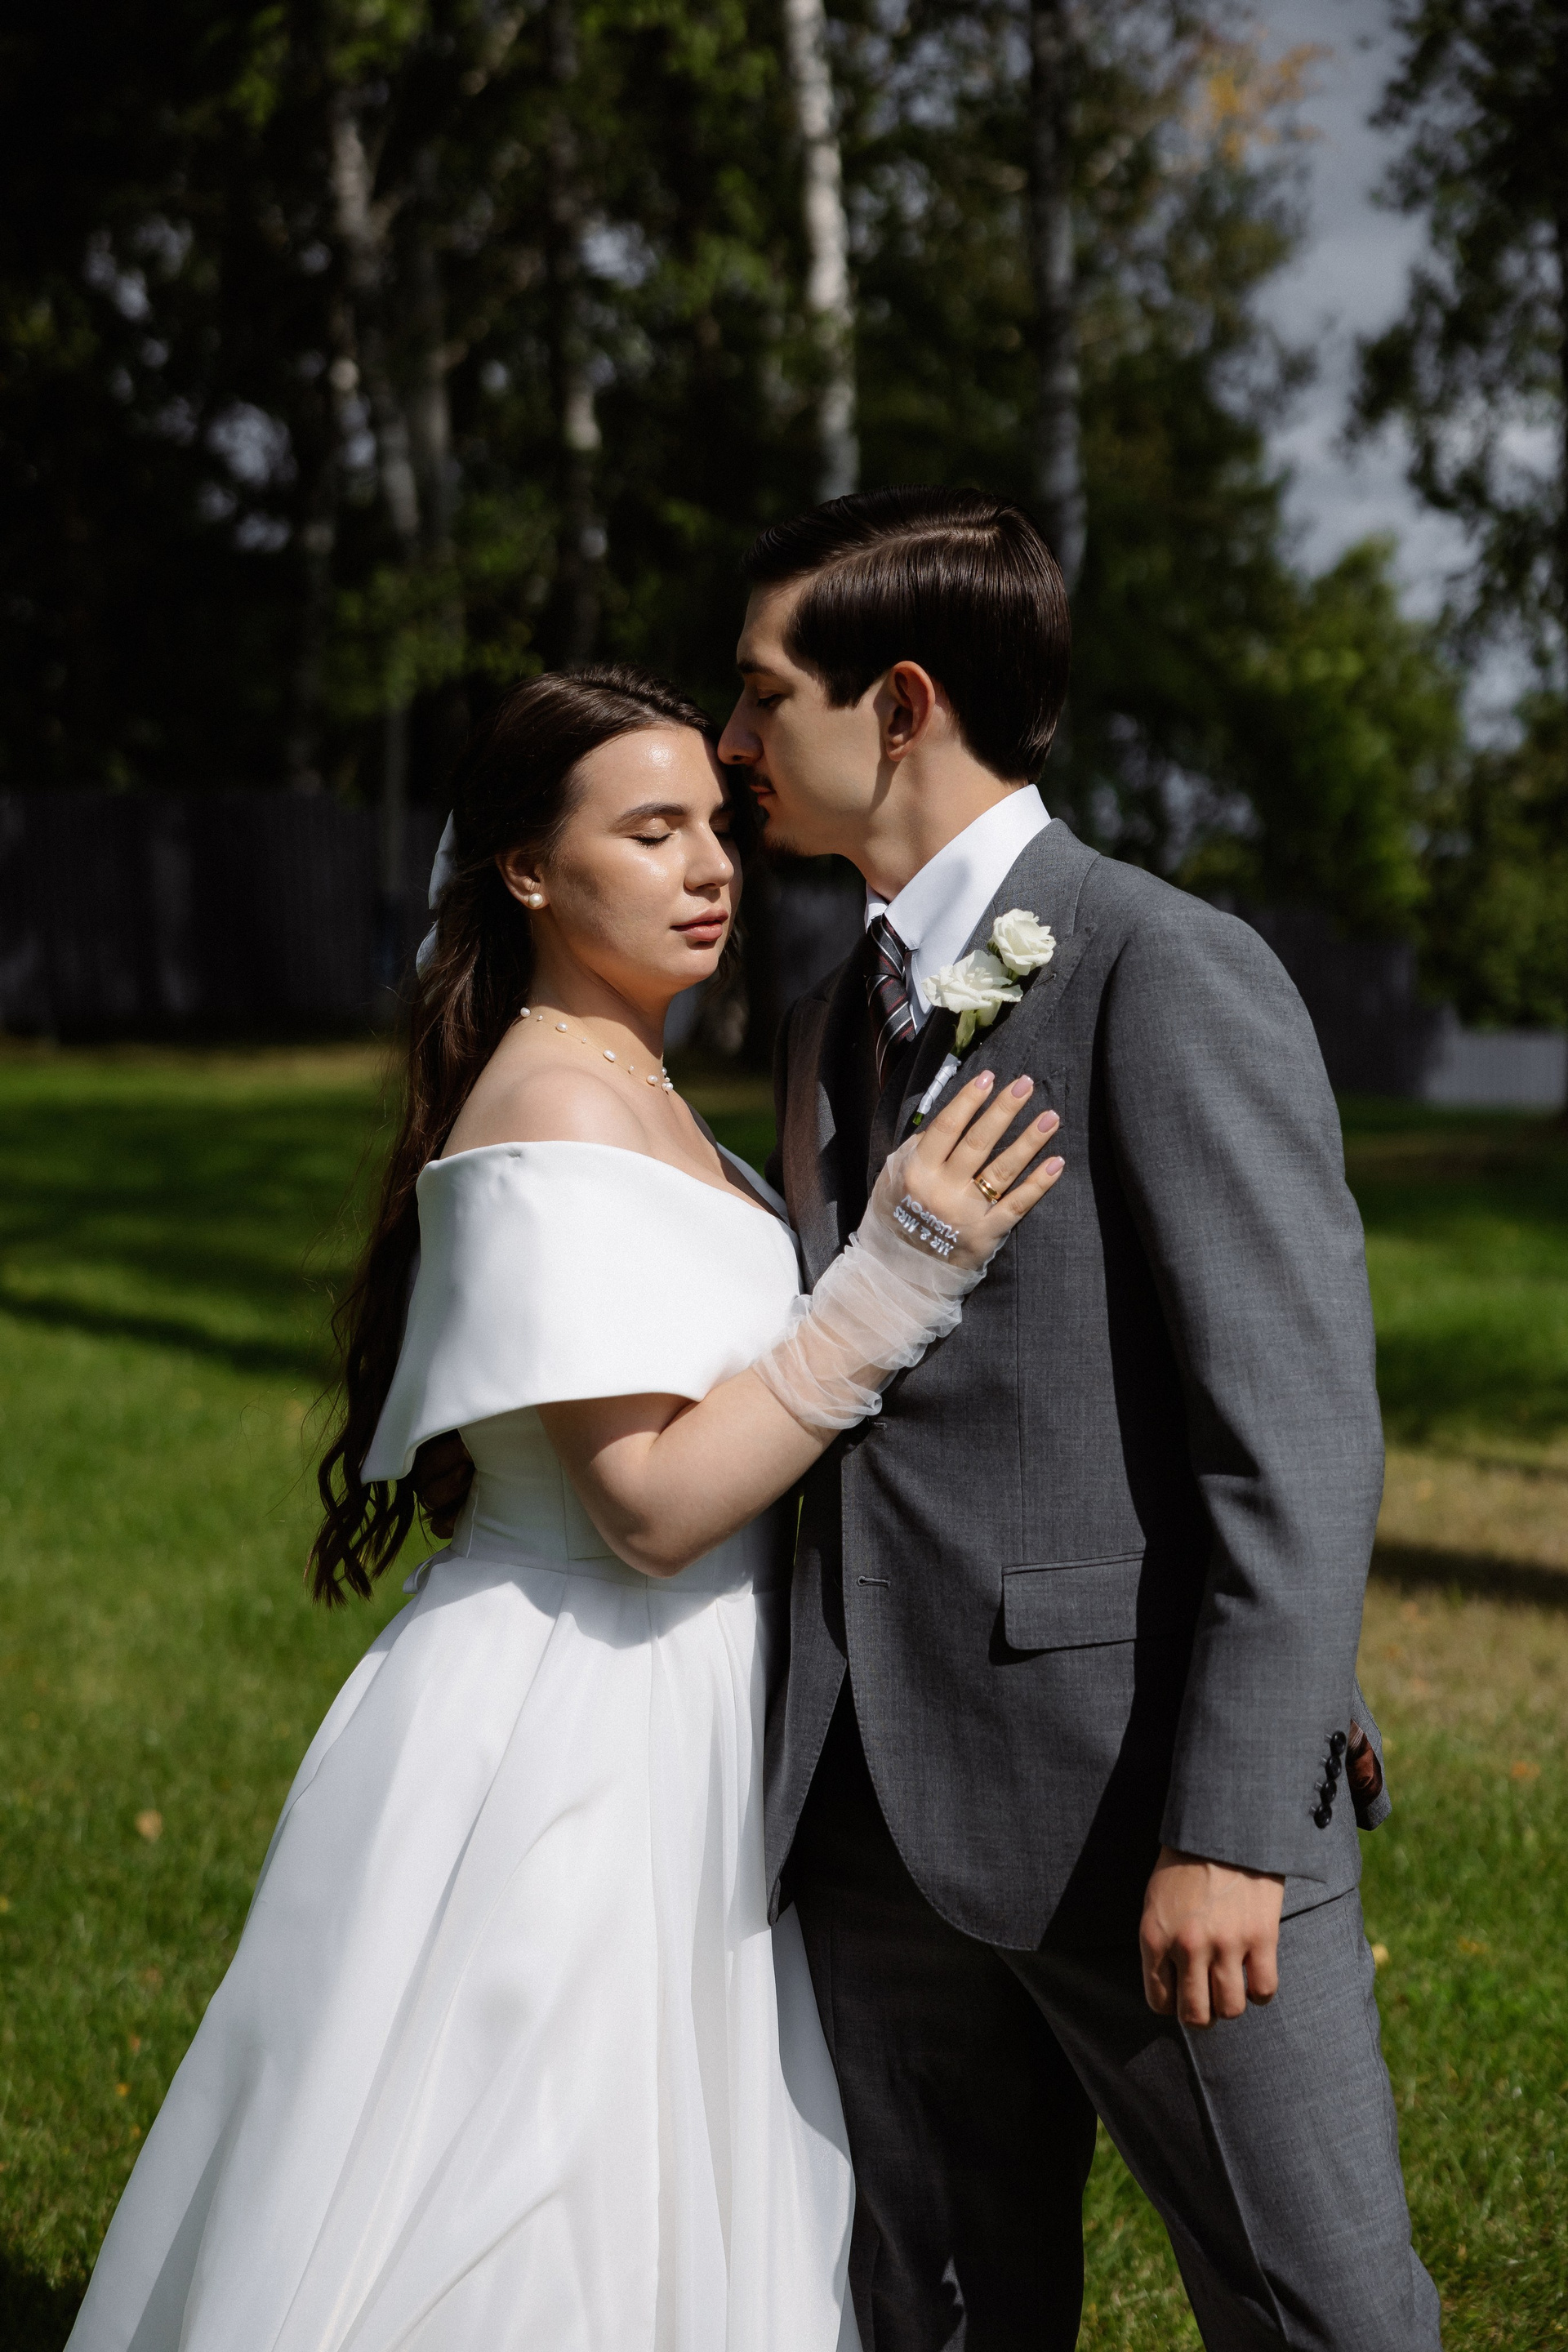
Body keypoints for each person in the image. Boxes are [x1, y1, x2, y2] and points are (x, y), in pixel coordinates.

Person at [64, 664, 1064, 2352]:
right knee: (533, 2195)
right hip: (577, 1722)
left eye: (716, 827)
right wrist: (901, 1277)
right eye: (650, 832)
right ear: (528, 869)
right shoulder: (552, 1100)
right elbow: (650, 1508)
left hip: (685, 1703)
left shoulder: (642, 1086)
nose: (711, 868)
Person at [713, 487, 1441, 2351]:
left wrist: (1237, 1829)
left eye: (761, 695)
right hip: (869, 1816)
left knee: (1320, 2313)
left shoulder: (1161, 965)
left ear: (899, 705)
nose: (729, 743)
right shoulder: (823, 1020)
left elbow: (1294, 1441)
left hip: (1145, 1811)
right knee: (941, 2318)